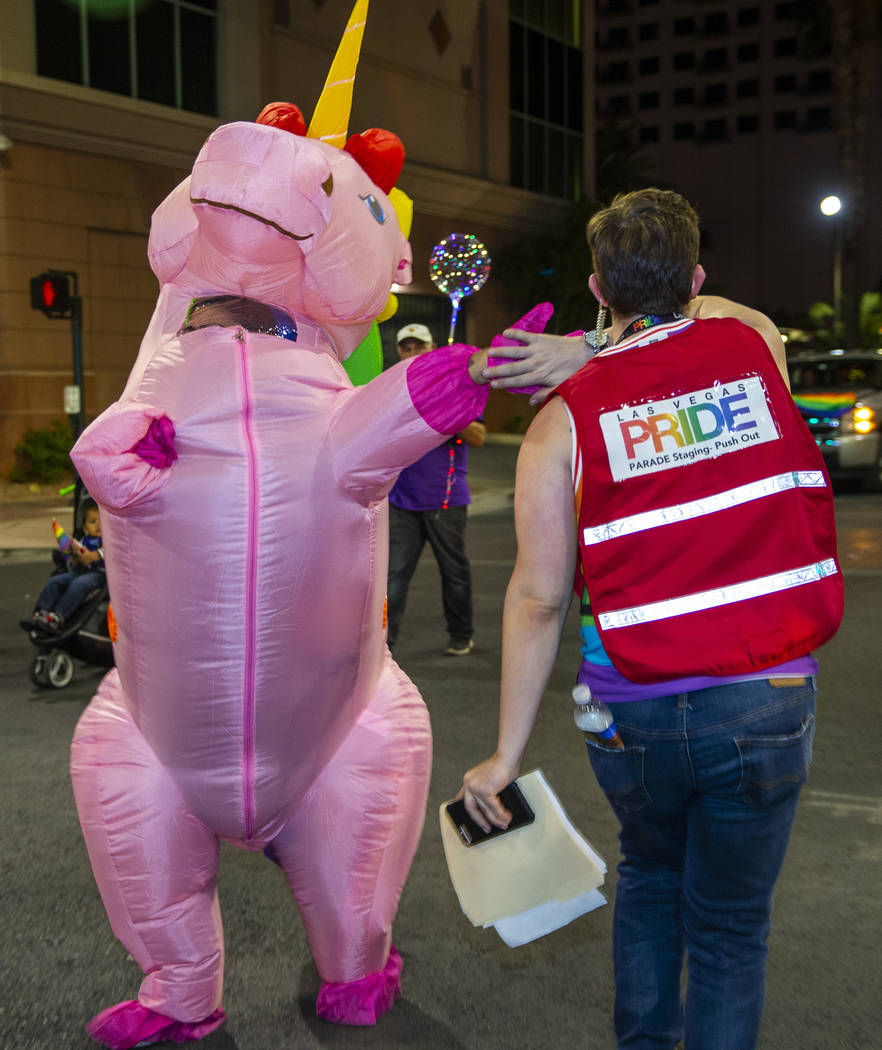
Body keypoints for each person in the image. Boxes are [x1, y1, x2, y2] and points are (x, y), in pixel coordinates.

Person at [459, 189, 842, 1050]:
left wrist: (504, 757)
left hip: (629, 707)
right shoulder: (751, 351)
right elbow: (733, 309)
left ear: (597, 287)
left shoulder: (563, 418)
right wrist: (624, 326)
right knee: (730, 929)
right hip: (765, 692)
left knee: (651, 880)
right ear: (698, 279)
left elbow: (538, 596)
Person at [387, 322, 487, 656]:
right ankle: (383, 643)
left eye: (420, 346)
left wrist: (446, 410)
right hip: (401, 499)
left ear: (432, 349)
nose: (412, 353)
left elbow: (478, 436)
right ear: (399, 351)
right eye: (407, 347)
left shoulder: (457, 387)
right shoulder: (391, 388)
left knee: (454, 572)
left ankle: (462, 634)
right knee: (392, 578)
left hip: (445, 500)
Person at [29, 501, 105, 631]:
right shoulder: (84, 541)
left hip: (100, 574)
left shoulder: (106, 540)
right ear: (86, 529)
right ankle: (41, 611)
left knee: (79, 583)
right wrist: (74, 554)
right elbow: (76, 562)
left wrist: (93, 556)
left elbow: (103, 553)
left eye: (101, 521)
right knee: (56, 581)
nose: (98, 525)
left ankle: (59, 616)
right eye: (93, 522)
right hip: (82, 570)